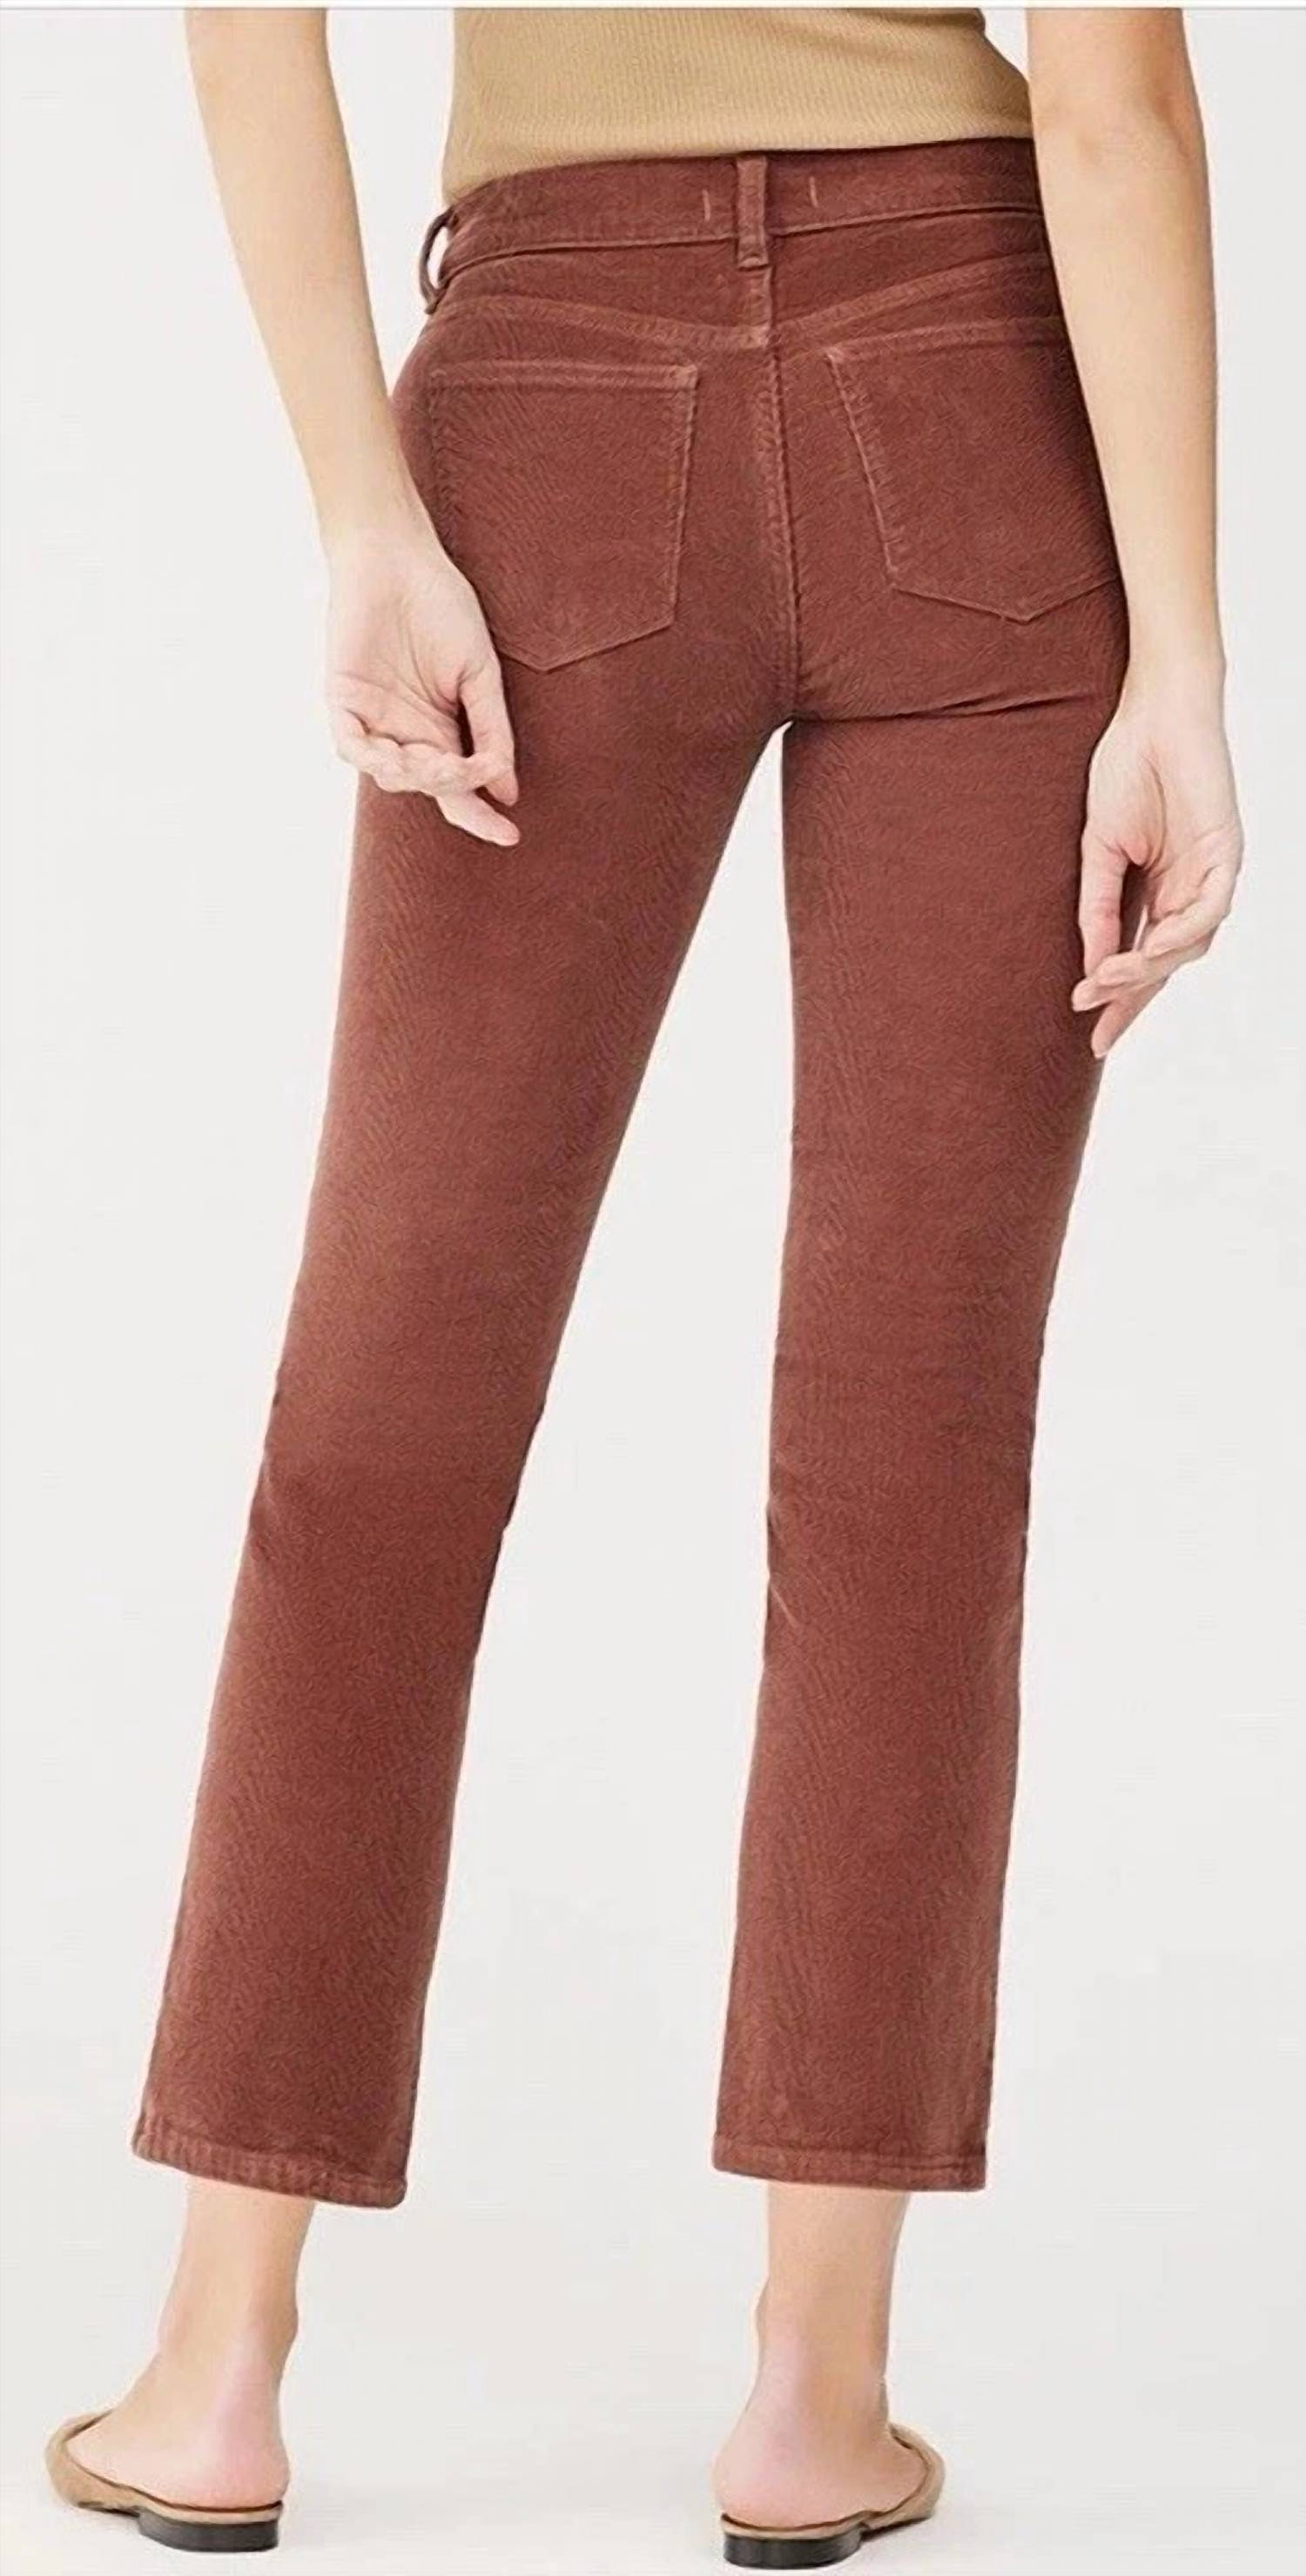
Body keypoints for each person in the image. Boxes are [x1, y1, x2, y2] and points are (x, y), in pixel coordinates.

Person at [46, 7, 1242, 2560]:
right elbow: (1117, 103)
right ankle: (817, 2397)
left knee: (384, 1416)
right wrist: (1187, 663)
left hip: (552, 407)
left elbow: (245, 29)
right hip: (978, 380)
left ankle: (218, 2364)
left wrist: (364, 515)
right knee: (908, 1439)